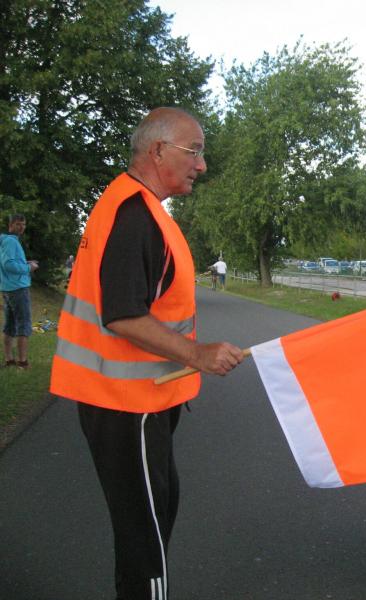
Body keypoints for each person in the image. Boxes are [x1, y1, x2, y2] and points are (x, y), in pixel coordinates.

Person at [50, 107, 244, 600]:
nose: (202, 165)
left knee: (158, 511)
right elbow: (122, 315)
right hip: (125, 403)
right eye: (194, 151)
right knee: (145, 539)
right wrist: (197, 354)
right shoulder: (134, 215)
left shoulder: (139, 207)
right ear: (158, 151)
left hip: (138, 400)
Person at [0, 214, 38, 368]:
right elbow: (9, 265)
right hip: (18, 289)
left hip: (8, 288)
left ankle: (9, 360)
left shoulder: (6, 240)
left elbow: (8, 262)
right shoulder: (11, 241)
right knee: (23, 325)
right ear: (10, 225)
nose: (22, 227)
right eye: (18, 224)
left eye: (23, 224)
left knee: (9, 326)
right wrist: (29, 268)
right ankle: (22, 362)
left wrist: (25, 262)